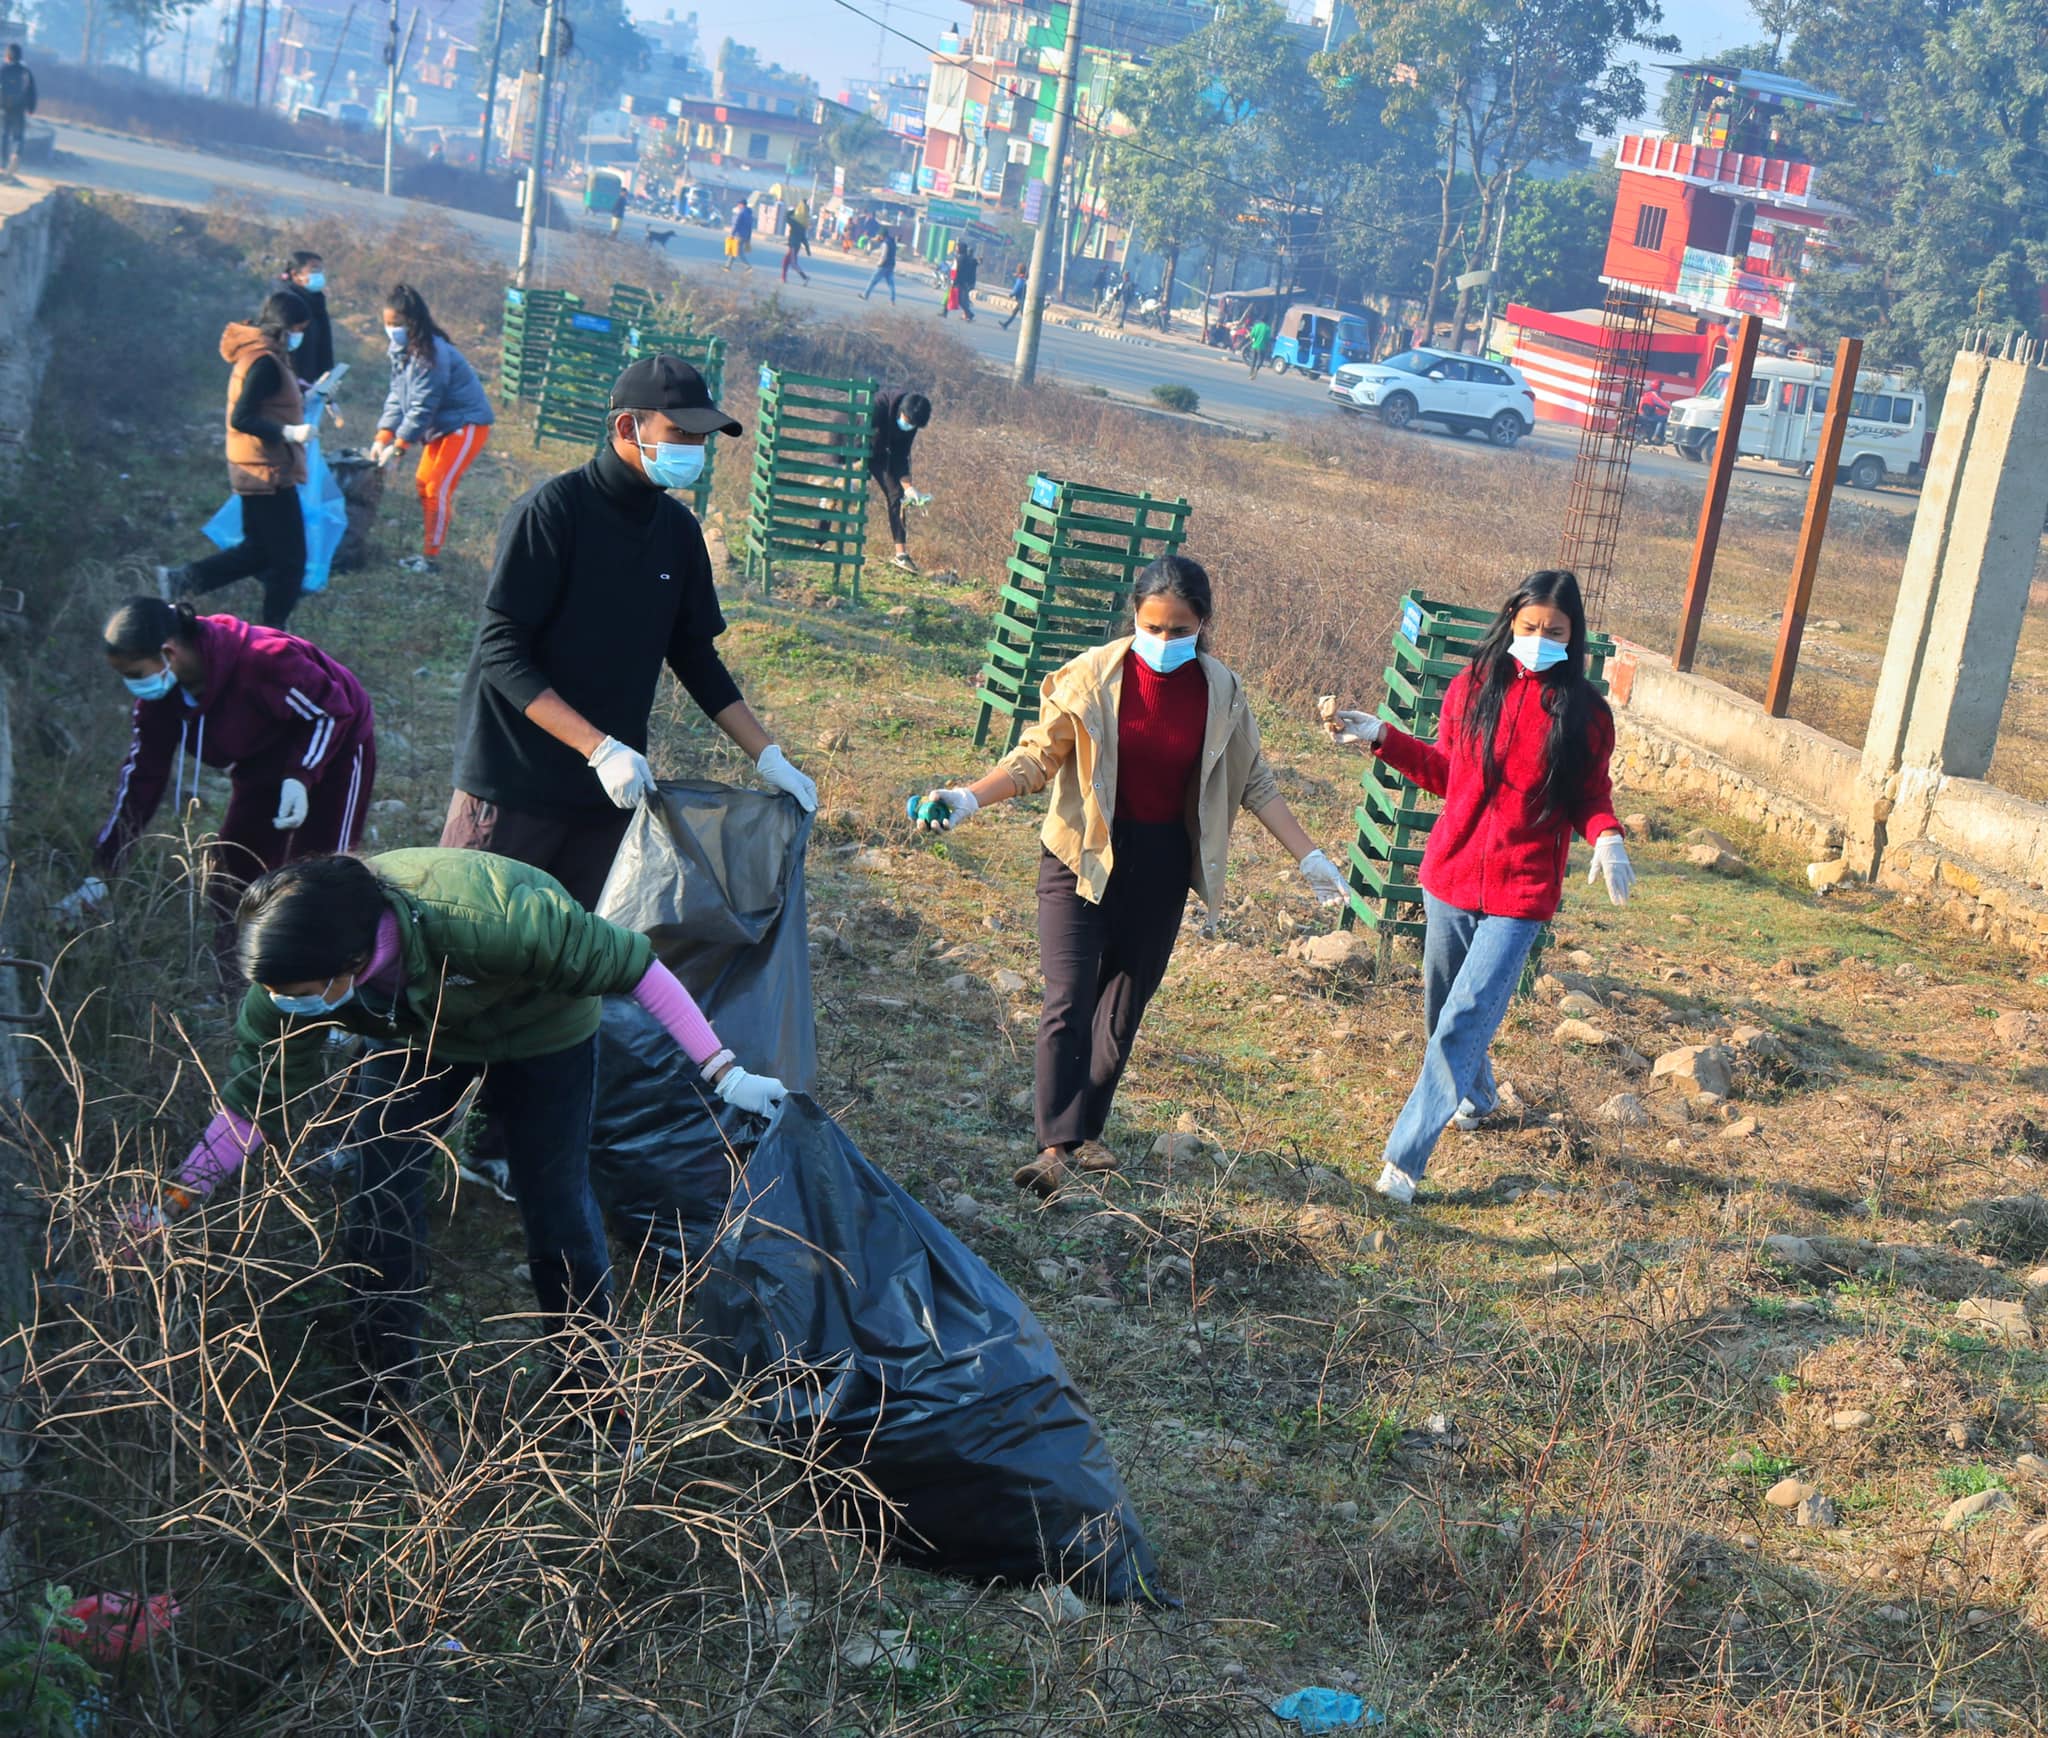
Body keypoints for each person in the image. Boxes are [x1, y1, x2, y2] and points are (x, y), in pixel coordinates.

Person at [154, 849, 789, 1443]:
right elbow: (254, 1101)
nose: (277, 1005)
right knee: (380, 1198)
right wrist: (174, 1203)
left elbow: (637, 966)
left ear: (350, 963)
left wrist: (724, 1072)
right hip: (416, 1038)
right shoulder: (294, 970)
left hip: (545, 1029)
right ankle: (382, 1399)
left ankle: (594, 1397)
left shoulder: (498, 920)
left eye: (292, 995)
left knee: (556, 1205)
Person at [915, 556, 1349, 1198]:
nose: (1165, 642)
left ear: (1203, 623)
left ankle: (1087, 1131)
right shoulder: (1093, 675)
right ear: (1135, 618)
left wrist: (1310, 856)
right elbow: (1039, 754)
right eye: (1153, 626)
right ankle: (1054, 1148)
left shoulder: (1221, 692)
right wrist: (971, 796)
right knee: (1068, 1000)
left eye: (1180, 630)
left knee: (1121, 1010)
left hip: (1162, 863)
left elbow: (1255, 781)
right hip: (1082, 854)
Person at [441, 354, 817, 911]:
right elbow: (502, 650)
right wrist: (599, 749)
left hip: (608, 797)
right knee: (470, 945)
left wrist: (768, 756)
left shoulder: (678, 533)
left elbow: (693, 654)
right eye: (680, 432)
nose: (694, 448)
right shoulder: (552, 513)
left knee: (569, 960)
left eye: (702, 436)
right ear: (627, 427)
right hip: (514, 785)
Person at [1327, 570, 1635, 1206]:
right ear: (1511, 623)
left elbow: (1589, 796)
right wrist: (1382, 737)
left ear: (1572, 635)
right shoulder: (1473, 686)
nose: (1539, 639)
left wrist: (1607, 836)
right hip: (1452, 875)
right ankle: (1479, 1093)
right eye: (1529, 628)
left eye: (1554, 631)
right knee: (1444, 1013)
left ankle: (1404, 1161)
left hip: (1522, 893)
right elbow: (1448, 774)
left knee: (1465, 1017)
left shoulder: (1585, 714)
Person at [65, 596, 374, 928]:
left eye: (136, 673)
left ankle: (332, 959)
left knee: (320, 868)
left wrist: (300, 776)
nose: (133, 684)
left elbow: (330, 711)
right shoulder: (159, 702)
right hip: (261, 754)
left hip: (334, 743)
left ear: (169, 653)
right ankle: (237, 960)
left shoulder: (263, 660)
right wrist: (106, 865)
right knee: (234, 865)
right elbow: (142, 778)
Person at [157, 289, 316, 630]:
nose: (301, 336)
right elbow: (243, 418)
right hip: (267, 471)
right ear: (286, 327)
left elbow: (266, 404)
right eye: (299, 328)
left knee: (259, 552)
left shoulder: (263, 356)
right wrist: (288, 433)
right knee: (291, 561)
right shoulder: (264, 363)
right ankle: (274, 631)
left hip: (258, 468)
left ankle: (181, 581)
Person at [373, 282, 495, 574]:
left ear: (412, 322)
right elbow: (397, 396)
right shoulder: (400, 351)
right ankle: (428, 551)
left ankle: (431, 558)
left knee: (437, 487)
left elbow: (423, 404)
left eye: (397, 324)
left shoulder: (433, 353)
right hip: (441, 428)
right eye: (388, 324)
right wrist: (384, 435)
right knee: (422, 482)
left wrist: (401, 445)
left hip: (466, 424)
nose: (392, 330)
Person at [867, 387, 930, 575]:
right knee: (836, 489)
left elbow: (901, 455)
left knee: (898, 497)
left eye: (913, 425)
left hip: (879, 453)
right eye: (908, 422)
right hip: (854, 444)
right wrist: (853, 470)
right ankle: (819, 542)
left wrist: (910, 488)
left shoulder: (912, 423)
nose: (908, 426)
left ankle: (901, 555)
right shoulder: (878, 405)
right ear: (901, 411)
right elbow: (859, 438)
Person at [272, 249, 334, 387]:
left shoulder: (317, 302)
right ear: (295, 274)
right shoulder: (286, 303)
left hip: (311, 382)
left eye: (320, 271)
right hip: (290, 382)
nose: (319, 275)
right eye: (314, 270)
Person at [1, 43, 36, 178]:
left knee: (3, 135)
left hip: (3, 107)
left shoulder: (3, 69)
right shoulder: (25, 71)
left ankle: (1, 165)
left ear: (8, 56)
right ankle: (15, 154)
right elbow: (32, 91)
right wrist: (31, 108)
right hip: (19, 108)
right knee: (18, 136)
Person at [860, 225, 898, 303]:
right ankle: (892, 299)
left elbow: (884, 255)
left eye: (879, 235)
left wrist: (879, 263)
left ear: (881, 235)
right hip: (891, 265)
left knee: (873, 281)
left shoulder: (885, 243)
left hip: (883, 265)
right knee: (891, 283)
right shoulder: (892, 241)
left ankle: (865, 295)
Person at [725, 199, 755, 270]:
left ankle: (747, 266)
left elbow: (736, 224)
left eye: (739, 204)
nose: (738, 206)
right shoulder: (749, 214)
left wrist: (732, 233)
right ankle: (728, 266)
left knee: (738, 252)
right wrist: (748, 238)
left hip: (739, 235)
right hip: (745, 236)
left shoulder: (741, 213)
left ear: (741, 204)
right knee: (735, 250)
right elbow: (750, 227)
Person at [780, 215, 811, 285]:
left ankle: (805, 278)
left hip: (793, 246)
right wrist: (807, 249)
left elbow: (787, 217)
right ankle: (783, 278)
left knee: (793, 263)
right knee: (785, 261)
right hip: (796, 246)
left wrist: (793, 211)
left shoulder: (795, 223)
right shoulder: (802, 227)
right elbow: (804, 239)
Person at [998, 262, 1028, 330]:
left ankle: (1027, 329)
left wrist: (1012, 294)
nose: (1016, 269)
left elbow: (1017, 288)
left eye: (1017, 269)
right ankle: (1006, 324)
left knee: (1024, 315)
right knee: (1015, 312)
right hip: (1021, 299)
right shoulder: (1023, 278)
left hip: (1021, 300)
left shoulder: (1021, 279)